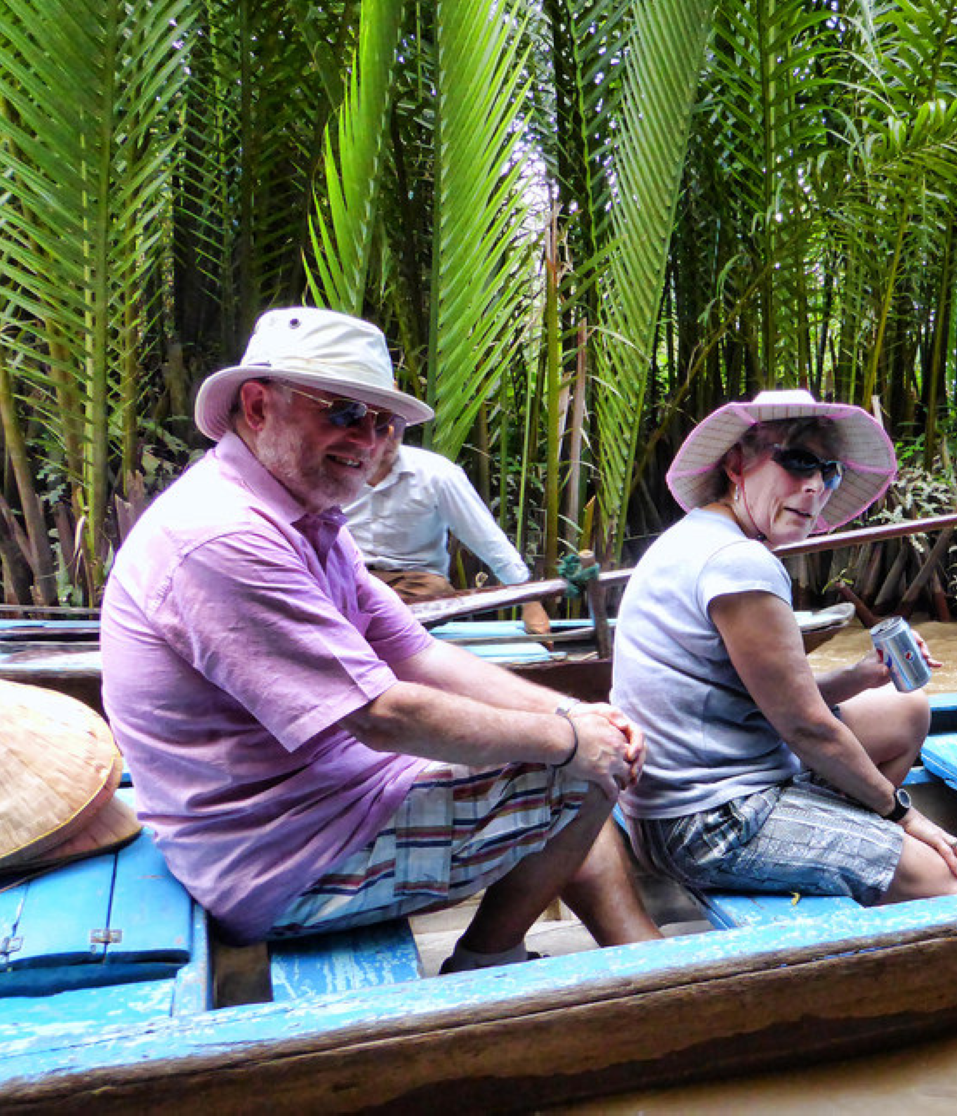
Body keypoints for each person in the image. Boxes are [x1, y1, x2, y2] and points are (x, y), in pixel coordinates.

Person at [100, 307, 658, 968]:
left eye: (383, 422)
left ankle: (637, 961)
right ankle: (490, 959)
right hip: (284, 860)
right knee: (584, 778)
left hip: (330, 802)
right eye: (342, 412)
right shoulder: (226, 535)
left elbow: (419, 654)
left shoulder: (307, 517)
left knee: (580, 752)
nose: (368, 438)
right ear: (256, 406)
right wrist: (570, 740)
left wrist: (573, 714)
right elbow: (380, 715)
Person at [611, 390, 957, 905]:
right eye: (798, 461)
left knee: (905, 709)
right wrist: (904, 816)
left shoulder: (699, 535)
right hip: (710, 821)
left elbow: (772, 699)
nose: (815, 486)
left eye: (828, 470)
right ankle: (875, 863)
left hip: (681, 803)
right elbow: (807, 727)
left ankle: (855, 858)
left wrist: (861, 674)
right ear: (737, 463)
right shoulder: (739, 562)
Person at [343, 436, 550, 634]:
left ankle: (357, 626)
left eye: (394, 427)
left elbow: (486, 539)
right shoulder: (332, 468)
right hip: (346, 579)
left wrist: (529, 600)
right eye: (378, 429)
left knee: (434, 594)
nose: (388, 439)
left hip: (413, 584)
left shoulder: (437, 473)